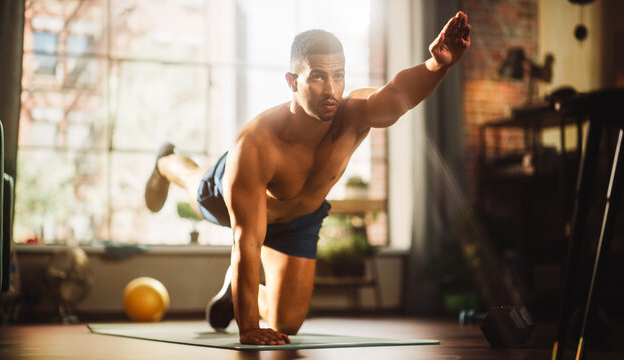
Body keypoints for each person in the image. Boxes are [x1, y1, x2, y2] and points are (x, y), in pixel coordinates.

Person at [145, 11, 471, 345]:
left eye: (338, 75)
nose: (331, 89)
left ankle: (237, 291)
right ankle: (166, 162)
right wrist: (248, 327)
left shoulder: (354, 114)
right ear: (292, 81)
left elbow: (398, 96)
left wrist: (437, 65)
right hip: (238, 203)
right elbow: (246, 242)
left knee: (289, 323)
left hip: (299, 220)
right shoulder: (257, 145)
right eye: (317, 77)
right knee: (194, 184)